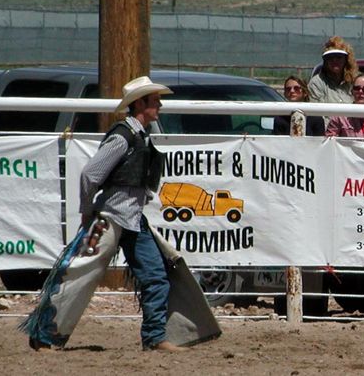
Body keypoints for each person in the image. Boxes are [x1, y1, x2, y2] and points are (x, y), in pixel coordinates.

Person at [21, 76, 220, 352]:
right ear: (141, 103)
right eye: (155, 100)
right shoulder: (124, 135)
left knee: (153, 276)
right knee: (80, 274)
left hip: (130, 218)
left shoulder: (135, 134)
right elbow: (91, 174)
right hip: (113, 216)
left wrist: (89, 210)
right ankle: (43, 336)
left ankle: (154, 337)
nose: (160, 104)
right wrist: (88, 211)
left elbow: (92, 176)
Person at [308, 35, 358, 106]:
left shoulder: (356, 83)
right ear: (326, 61)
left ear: (346, 60)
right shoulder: (316, 83)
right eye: (330, 58)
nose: (335, 60)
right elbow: (317, 113)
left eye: (339, 57)